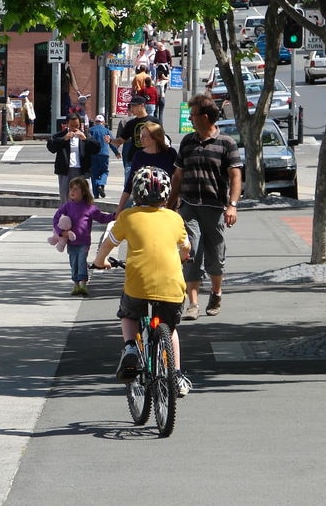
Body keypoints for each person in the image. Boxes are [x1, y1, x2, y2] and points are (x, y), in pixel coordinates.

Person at [92, 167, 192, 396]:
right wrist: (184, 257)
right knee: (171, 328)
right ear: (166, 196)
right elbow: (186, 249)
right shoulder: (175, 219)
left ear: (136, 194)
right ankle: (175, 375)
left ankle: (130, 348)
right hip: (172, 287)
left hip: (138, 284)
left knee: (128, 314)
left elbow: (109, 243)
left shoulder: (128, 217)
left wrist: (100, 261)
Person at [167, 94, 242, 321]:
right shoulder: (188, 142)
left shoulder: (227, 143)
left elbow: (236, 175)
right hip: (189, 206)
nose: (189, 118)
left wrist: (232, 205)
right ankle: (193, 303)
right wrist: (170, 206)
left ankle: (216, 293)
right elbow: (177, 176)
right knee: (191, 252)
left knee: (215, 257)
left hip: (215, 207)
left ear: (206, 117)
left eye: (193, 114)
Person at [52, 177, 114, 296]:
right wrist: (61, 232)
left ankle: (83, 284)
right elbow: (56, 219)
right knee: (73, 262)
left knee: (81, 261)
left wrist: (114, 216)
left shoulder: (89, 207)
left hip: (84, 241)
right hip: (71, 242)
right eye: (71, 189)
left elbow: (101, 218)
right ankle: (76, 283)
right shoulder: (67, 206)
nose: (72, 192)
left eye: (75, 189)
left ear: (83, 192)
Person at [117, 122, 176, 214]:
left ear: (155, 137)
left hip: (166, 203)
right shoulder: (139, 156)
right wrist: (119, 209)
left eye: (144, 136)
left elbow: (177, 179)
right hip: (143, 205)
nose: (141, 139)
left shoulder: (170, 154)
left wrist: (174, 203)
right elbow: (130, 184)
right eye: (140, 136)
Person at [47, 112, 100, 203]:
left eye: (77, 125)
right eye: (71, 126)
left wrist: (85, 139)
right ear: (67, 124)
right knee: (65, 193)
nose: (74, 128)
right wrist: (64, 139)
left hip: (82, 169)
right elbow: (51, 147)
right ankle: (66, 213)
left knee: (84, 193)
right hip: (65, 170)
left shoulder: (85, 135)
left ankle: (83, 213)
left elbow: (96, 148)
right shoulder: (61, 135)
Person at [110, 95, 160, 175]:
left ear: (142, 105)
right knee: (129, 185)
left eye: (134, 105)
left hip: (151, 160)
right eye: (131, 106)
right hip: (133, 160)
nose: (131, 108)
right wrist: (110, 140)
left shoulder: (154, 121)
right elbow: (120, 140)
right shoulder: (131, 123)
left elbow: (161, 139)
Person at [88, 114, 121, 198]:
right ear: (103, 122)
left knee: (94, 174)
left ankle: (96, 194)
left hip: (93, 154)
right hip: (104, 154)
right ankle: (101, 184)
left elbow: (86, 142)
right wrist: (116, 152)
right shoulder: (107, 131)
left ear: (95, 122)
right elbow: (111, 142)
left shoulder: (90, 130)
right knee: (104, 171)